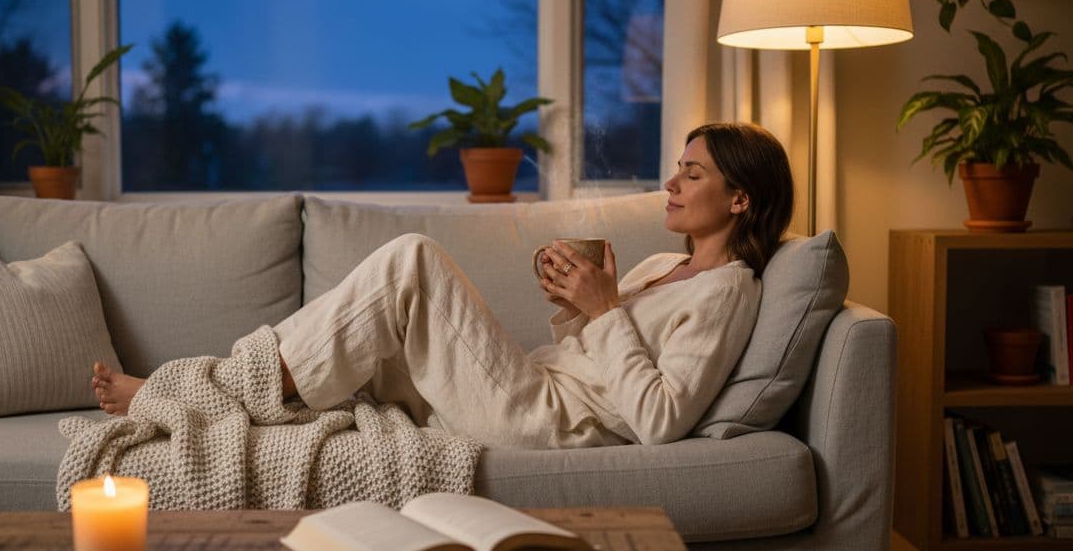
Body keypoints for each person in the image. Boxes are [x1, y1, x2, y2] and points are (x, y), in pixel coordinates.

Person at [92, 121, 794, 449]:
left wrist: (604, 310)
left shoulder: (728, 292)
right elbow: (596, 348)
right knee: (357, 358)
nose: (671, 183)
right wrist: (575, 307)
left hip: (545, 418)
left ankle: (172, 393)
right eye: (677, 166)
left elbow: (662, 421)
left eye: (693, 174)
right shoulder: (662, 267)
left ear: (740, 198)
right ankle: (200, 395)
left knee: (412, 260)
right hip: (533, 378)